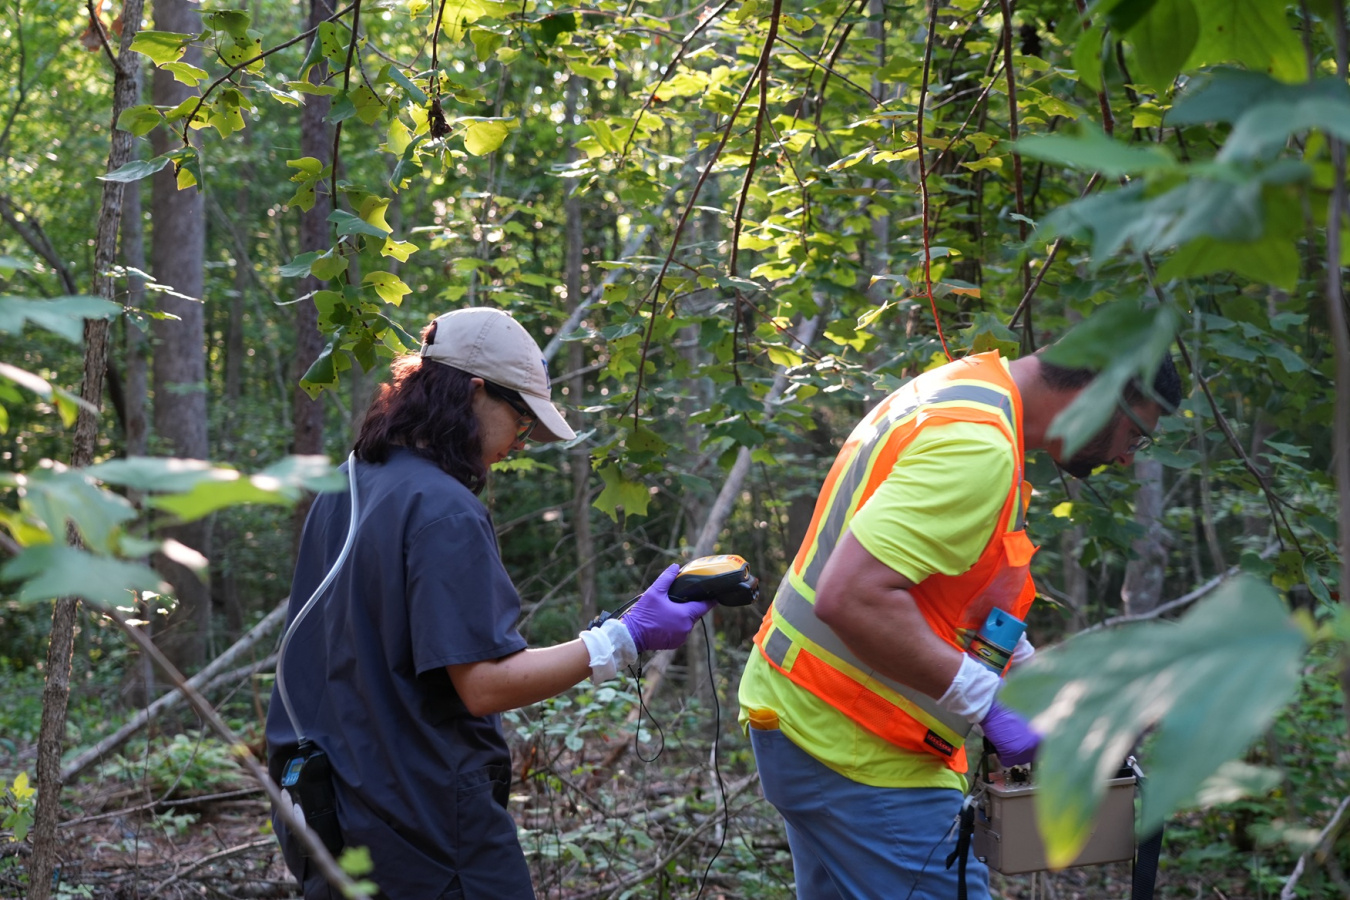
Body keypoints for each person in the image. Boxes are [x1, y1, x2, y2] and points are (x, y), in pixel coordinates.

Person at [265, 307, 716, 899]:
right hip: (428, 837)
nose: (520, 442)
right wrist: (623, 638)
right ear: (473, 392)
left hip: (336, 820)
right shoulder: (443, 509)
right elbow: (482, 684)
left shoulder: (347, 486)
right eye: (522, 421)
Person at [737, 345, 1182, 900]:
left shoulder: (965, 389)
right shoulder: (978, 448)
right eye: (1136, 434)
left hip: (805, 718)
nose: (1124, 458)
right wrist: (988, 704)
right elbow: (852, 598)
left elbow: (958, 592)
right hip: (859, 749)